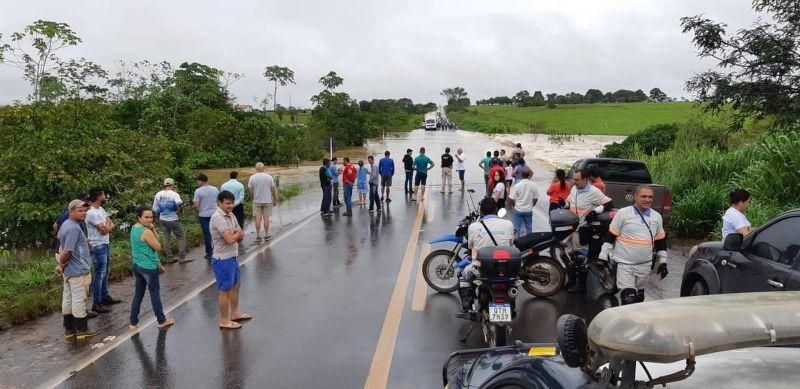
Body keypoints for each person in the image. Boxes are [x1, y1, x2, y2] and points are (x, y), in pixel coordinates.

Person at [599, 185, 668, 305]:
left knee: (639, 299)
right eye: (644, 196)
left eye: (650, 197)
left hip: (645, 265)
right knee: (628, 299)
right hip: (625, 265)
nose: (647, 199)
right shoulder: (623, 213)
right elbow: (610, 236)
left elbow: (660, 241)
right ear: (635, 197)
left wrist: (663, 262)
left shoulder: (657, 217)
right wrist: (603, 256)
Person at [456, 198, 515, 319]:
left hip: (482, 268)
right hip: (506, 268)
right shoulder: (508, 224)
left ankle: (467, 308)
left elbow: (471, 246)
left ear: (481, 212)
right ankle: (511, 305)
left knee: (462, 275)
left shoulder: (473, 226)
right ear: (496, 210)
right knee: (513, 284)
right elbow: (511, 243)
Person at [56, 199, 100, 340]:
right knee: (79, 299)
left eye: (85, 210)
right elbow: (67, 251)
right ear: (71, 212)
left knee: (68, 298)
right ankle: (82, 329)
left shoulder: (66, 225)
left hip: (70, 269)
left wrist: (83, 243)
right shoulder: (74, 228)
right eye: (80, 211)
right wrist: (61, 264)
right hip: (78, 269)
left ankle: (69, 330)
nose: (84, 213)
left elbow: (61, 242)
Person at [564, 169, 614, 294]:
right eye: (573, 179)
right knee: (569, 255)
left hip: (582, 229)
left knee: (581, 258)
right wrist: (564, 203)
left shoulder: (593, 191)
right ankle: (571, 281)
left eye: (577, 179)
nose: (574, 182)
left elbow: (609, 202)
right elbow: (570, 202)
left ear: (585, 179)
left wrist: (595, 211)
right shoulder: (575, 189)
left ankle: (581, 286)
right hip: (571, 227)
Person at [129, 206, 175, 330]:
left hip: (137, 265)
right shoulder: (146, 231)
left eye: (151, 217)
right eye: (146, 217)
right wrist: (152, 230)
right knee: (154, 293)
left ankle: (133, 322)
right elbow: (158, 246)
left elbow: (155, 240)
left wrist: (153, 228)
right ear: (139, 217)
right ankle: (161, 320)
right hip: (148, 266)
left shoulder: (134, 228)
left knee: (138, 293)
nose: (149, 220)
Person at [210, 191, 251, 329]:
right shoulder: (218, 218)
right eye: (227, 203)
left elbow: (240, 235)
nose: (230, 205)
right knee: (225, 290)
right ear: (219, 203)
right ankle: (224, 320)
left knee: (236, 286)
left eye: (232, 203)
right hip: (223, 259)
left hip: (233, 256)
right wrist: (236, 234)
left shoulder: (231, 215)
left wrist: (236, 234)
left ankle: (234, 313)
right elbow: (229, 240)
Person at [86, 188, 121, 314]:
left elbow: (110, 224)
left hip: (105, 243)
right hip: (97, 245)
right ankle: (97, 302)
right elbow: (103, 229)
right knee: (99, 274)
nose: (105, 196)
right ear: (99, 196)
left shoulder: (100, 209)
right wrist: (108, 227)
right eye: (103, 194)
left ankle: (105, 296)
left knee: (105, 272)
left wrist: (108, 226)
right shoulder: (91, 212)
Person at [153, 178, 189, 264]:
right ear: (172, 185)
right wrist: (179, 211)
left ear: (164, 185)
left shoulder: (158, 194)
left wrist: (160, 215)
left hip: (162, 219)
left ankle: (169, 257)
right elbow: (180, 204)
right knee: (181, 236)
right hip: (173, 219)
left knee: (166, 238)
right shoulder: (174, 194)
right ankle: (182, 258)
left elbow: (155, 208)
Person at [247, 162, 277, 241]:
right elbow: (273, 189)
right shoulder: (269, 177)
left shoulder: (252, 177)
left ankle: (258, 235)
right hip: (267, 200)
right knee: (266, 218)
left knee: (257, 218)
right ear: (264, 168)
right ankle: (266, 235)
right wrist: (275, 199)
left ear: (256, 168)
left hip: (256, 201)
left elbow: (250, 189)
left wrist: (253, 198)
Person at [194, 173, 220, 258]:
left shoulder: (198, 191)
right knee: (216, 232)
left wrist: (196, 209)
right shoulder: (215, 189)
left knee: (207, 234)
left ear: (200, 181)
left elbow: (196, 205)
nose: (197, 183)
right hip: (215, 213)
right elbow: (218, 201)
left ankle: (209, 253)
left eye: (197, 181)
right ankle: (219, 249)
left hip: (203, 215)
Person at [508, 167, 539, 237]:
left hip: (518, 209)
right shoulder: (533, 185)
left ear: (521, 175)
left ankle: (517, 242)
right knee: (529, 227)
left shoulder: (517, 186)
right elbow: (536, 198)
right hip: (528, 210)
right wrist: (532, 205)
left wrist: (515, 206)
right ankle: (529, 243)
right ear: (529, 176)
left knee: (516, 227)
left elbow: (512, 198)